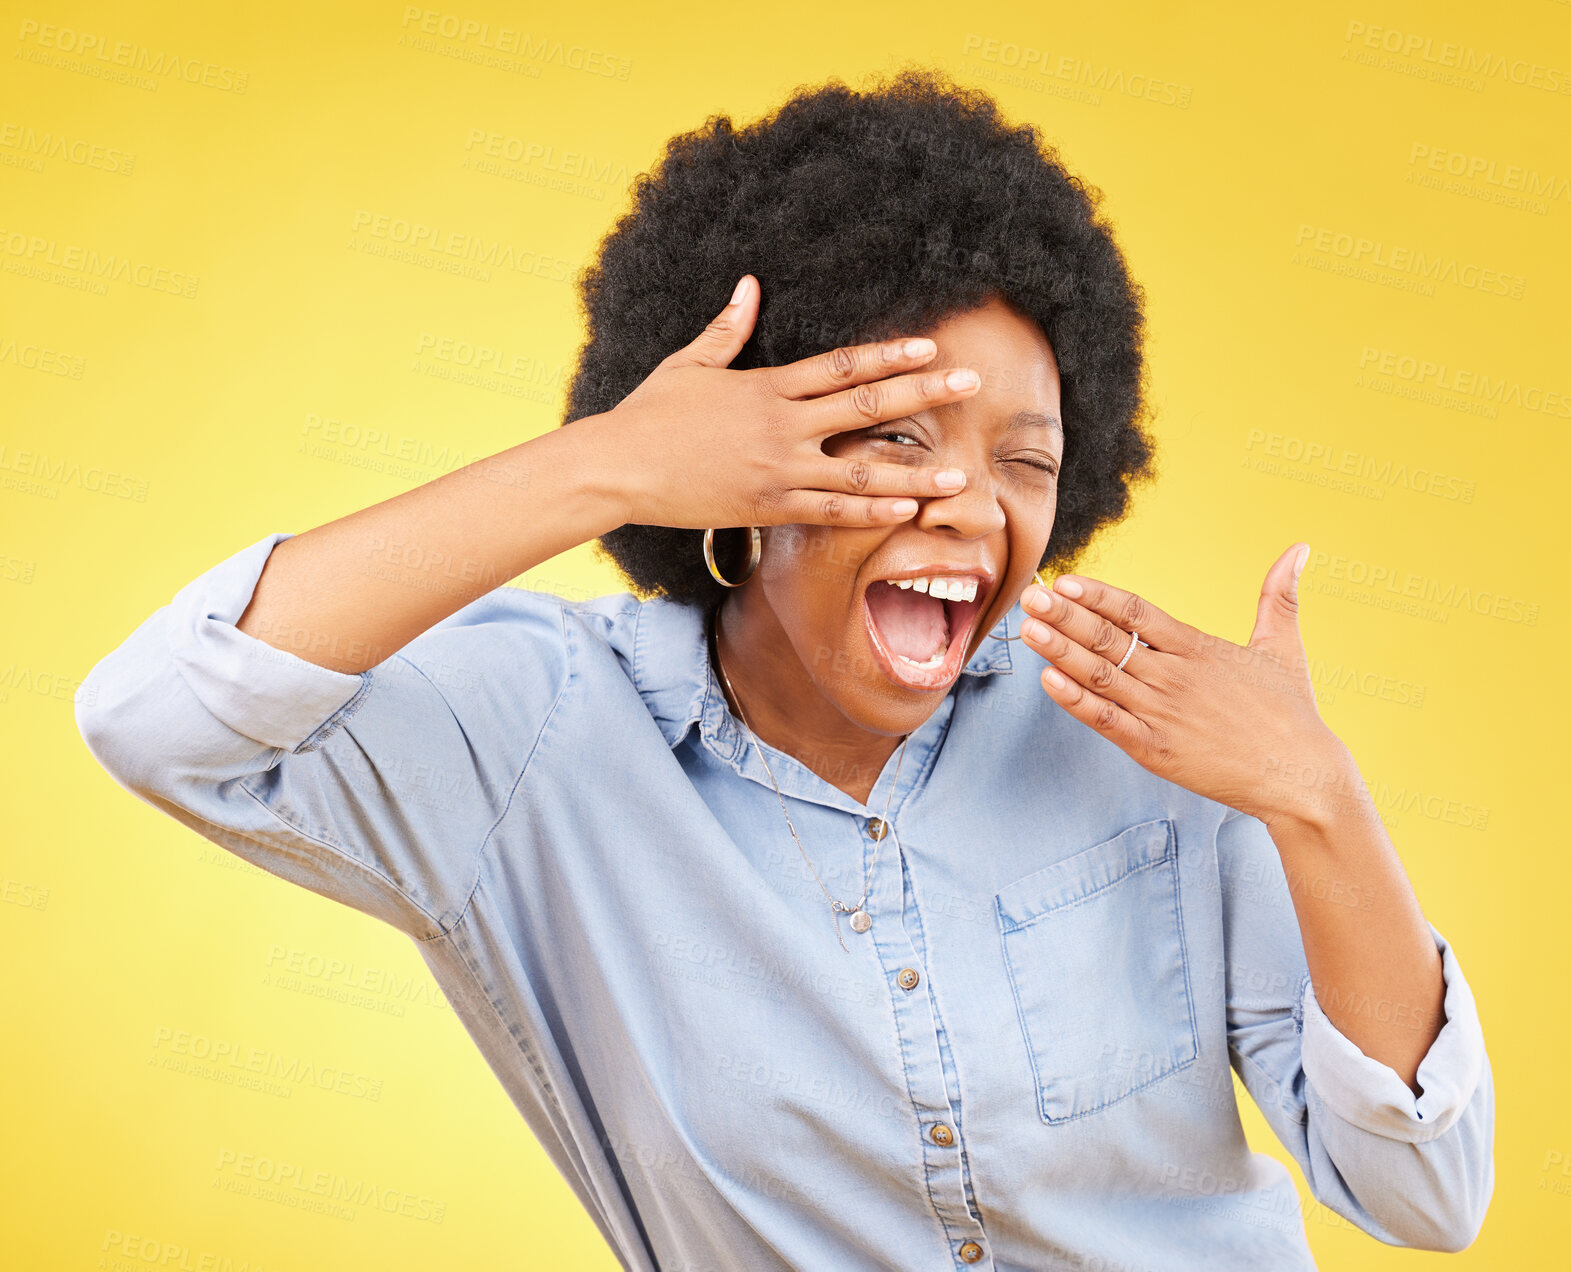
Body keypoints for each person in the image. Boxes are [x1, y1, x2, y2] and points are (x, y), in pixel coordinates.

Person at [75, 68, 1492, 1270]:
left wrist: (1317, 799)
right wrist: (610, 462)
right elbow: (156, 721)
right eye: (892, 434)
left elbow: (1428, 1197)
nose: (969, 504)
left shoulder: (1145, 724)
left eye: (1028, 461)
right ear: (744, 467)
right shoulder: (540, 742)